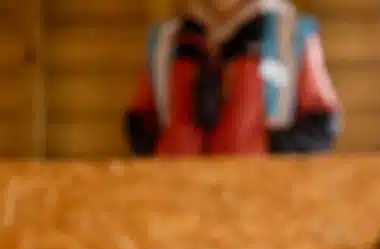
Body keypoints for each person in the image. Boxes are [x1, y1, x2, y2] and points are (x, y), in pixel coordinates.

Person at [125, 0, 343, 157]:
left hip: (263, 199)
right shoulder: (165, 39)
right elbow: (139, 121)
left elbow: (321, 122)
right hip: (175, 197)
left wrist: (268, 151)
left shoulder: (291, 34)